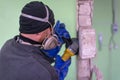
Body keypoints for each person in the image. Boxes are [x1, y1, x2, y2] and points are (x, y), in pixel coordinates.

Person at [0, 1, 78, 80]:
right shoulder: (44, 72)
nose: (52, 33)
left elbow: (30, 60)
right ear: (46, 30)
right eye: (51, 29)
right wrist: (66, 56)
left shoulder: (7, 46)